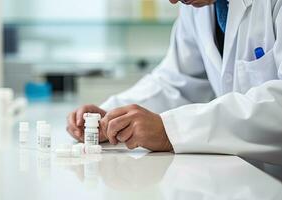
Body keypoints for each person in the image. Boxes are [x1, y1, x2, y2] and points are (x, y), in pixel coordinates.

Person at [67, 0, 282, 164]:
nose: (172, 1)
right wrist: (112, 117)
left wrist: (171, 130)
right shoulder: (196, 8)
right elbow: (177, 81)